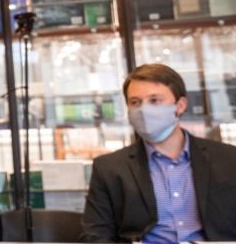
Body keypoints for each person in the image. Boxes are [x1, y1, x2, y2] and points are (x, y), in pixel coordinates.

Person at [81, 64, 236, 242]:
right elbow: (93, 236)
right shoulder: (109, 168)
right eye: (135, 102)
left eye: (155, 100)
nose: (144, 110)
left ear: (180, 105)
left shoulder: (229, 158)